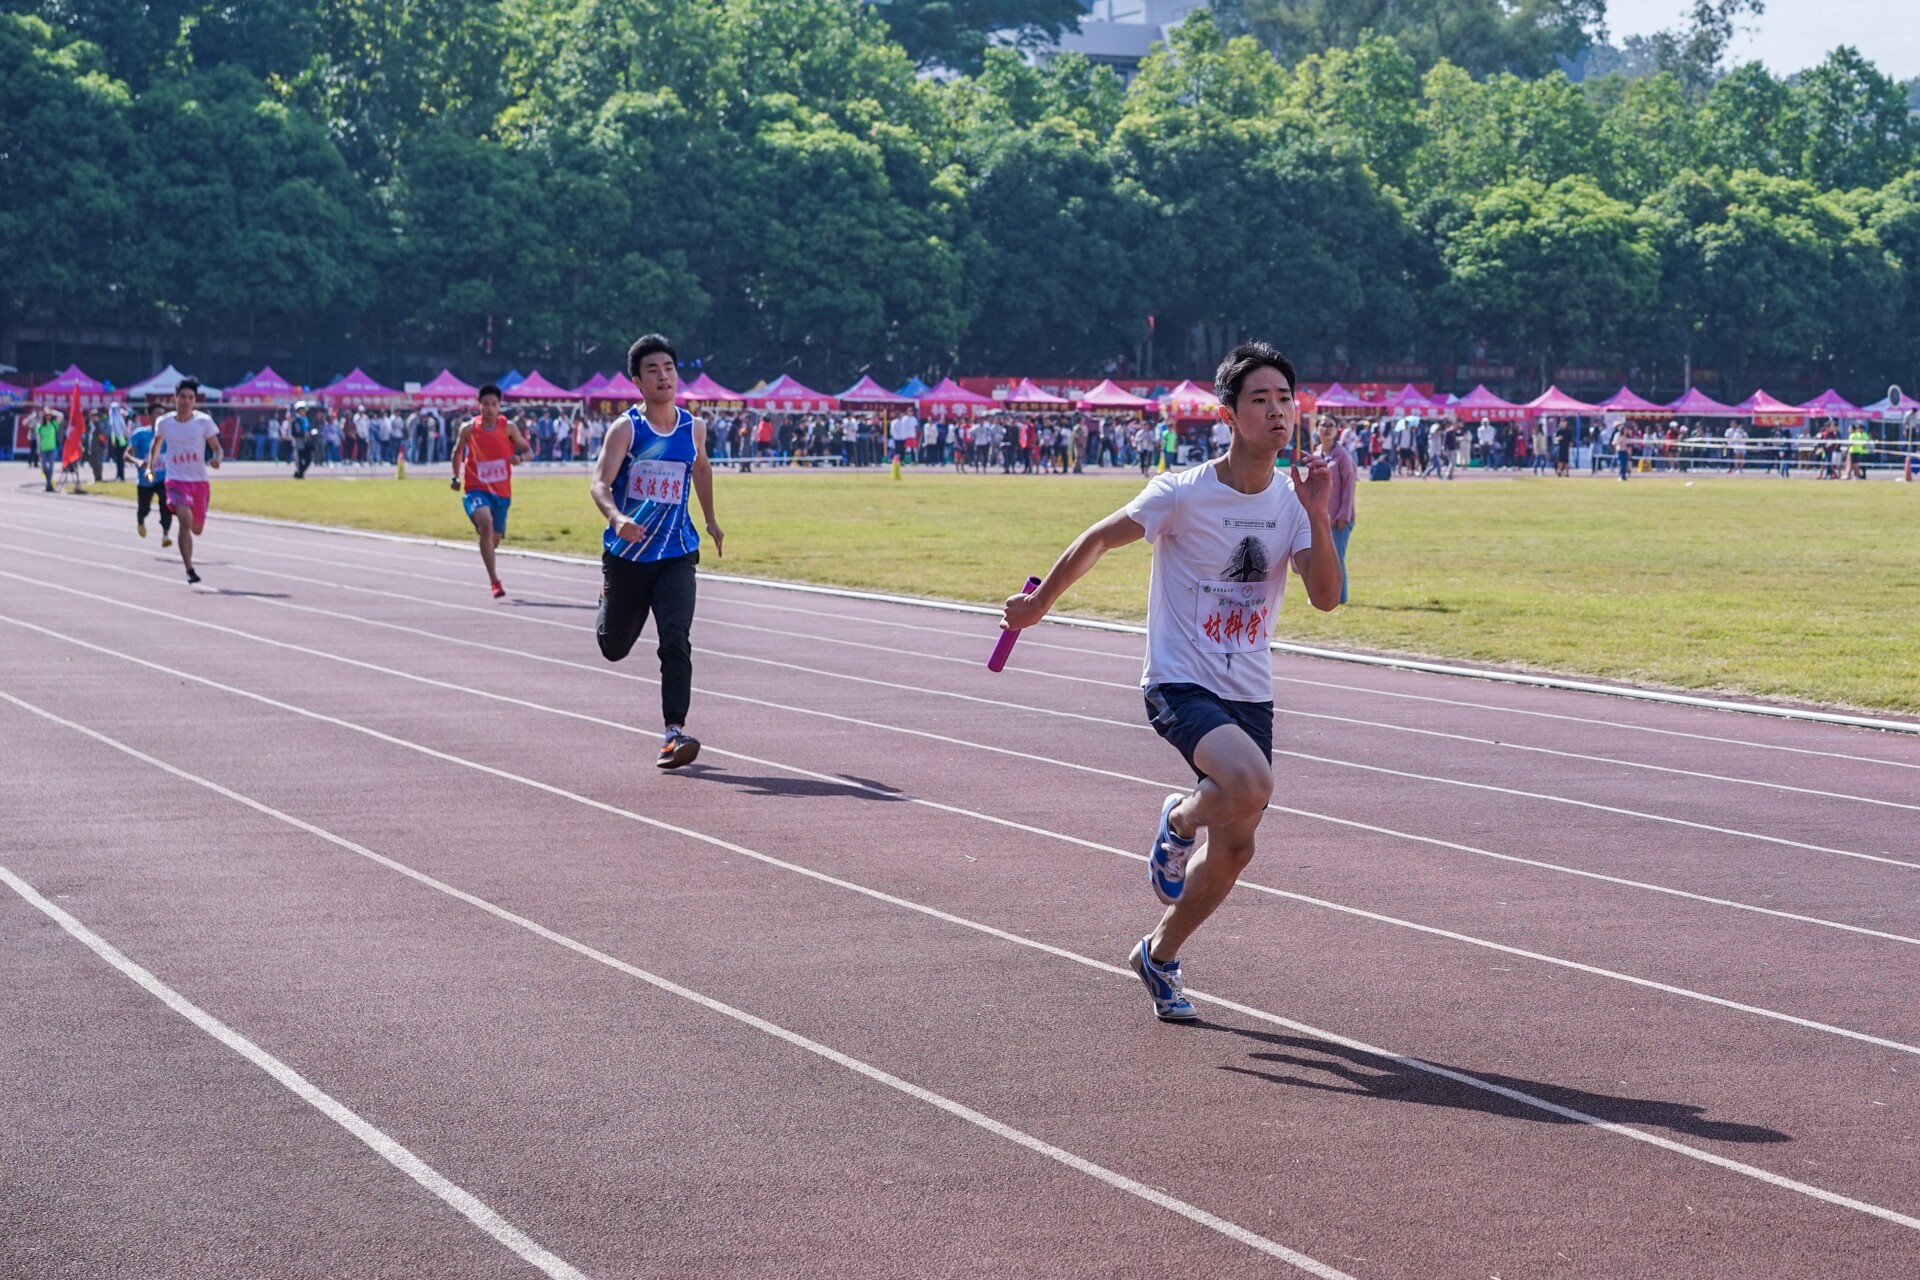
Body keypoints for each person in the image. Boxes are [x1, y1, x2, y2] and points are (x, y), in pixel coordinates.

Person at [1000, 341, 1341, 1021]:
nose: (1277, 411)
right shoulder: (1183, 492)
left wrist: (1322, 515)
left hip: (1250, 689)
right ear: (1229, 414)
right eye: (1260, 400)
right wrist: (1039, 605)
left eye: (1285, 399)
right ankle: (1178, 818)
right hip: (1180, 680)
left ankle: (1157, 955)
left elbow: (1327, 598)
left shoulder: (1294, 499)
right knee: (1248, 785)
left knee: (1239, 846)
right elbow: (1098, 538)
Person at [589, 334, 722, 769]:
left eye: (669, 367)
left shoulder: (693, 428)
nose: (663, 376)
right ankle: (608, 599)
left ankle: (673, 732)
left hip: (677, 552)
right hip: (628, 556)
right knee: (614, 647)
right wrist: (615, 518)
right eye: (653, 370)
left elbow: (700, 468)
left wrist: (711, 520)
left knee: (675, 640)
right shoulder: (627, 428)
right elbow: (599, 482)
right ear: (637, 381)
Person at [450, 384, 532, 598]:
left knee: (493, 538)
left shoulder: (508, 428)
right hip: (475, 487)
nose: (489, 408)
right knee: (486, 527)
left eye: (494, 404)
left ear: (499, 406)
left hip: (502, 492)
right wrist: (455, 477)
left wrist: (519, 458)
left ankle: (488, 551)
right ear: (479, 406)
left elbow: (528, 451)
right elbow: (457, 452)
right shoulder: (468, 429)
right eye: (485, 404)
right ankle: (495, 581)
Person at [144, 379, 221, 584]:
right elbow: (156, 443)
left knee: (196, 528)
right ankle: (189, 569)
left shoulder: (204, 422)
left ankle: (189, 561)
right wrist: (150, 467)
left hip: (199, 481)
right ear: (175, 398)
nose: (186, 401)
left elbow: (217, 447)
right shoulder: (165, 422)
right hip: (176, 480)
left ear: (195, 400)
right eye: (183, 397)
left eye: (191, 398)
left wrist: (217, 459)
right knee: (184, 519)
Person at [1319, 418, 1357, 604]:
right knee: (1322, 560)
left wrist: (1344, 515)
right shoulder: (1317, 454)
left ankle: (1340, 598)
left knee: (1336, 559)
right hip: (1322, 517)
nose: (1326, 429)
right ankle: (1323, 595)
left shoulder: (1342, 456)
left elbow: (1349, 486)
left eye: (1330, 426)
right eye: (1323, 425)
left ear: (1336, 430)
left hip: (1340, 518)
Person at [125, 413, 174, 546]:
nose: (159, 418)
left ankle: (165, 535)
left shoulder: (170, 434)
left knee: (166, 505)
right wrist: (138, 461)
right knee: (144, 508)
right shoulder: (140, 434)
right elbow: (126, 454)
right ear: (150, 417)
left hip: (163, 478)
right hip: (145, 479)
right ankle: (141, 520)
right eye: (156, 414)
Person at [33, 411, 59, 491]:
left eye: (49, 415)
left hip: (52, 448)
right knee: (44, 468)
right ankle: (49, 483)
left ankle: (48, 484)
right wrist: (38, 449)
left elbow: (61, 416)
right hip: (43, 448)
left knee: (51, 467)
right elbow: (38, 438)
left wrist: (53, 411)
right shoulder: (40, 426)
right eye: (46, 415)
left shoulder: (54, 424)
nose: (48, 417)